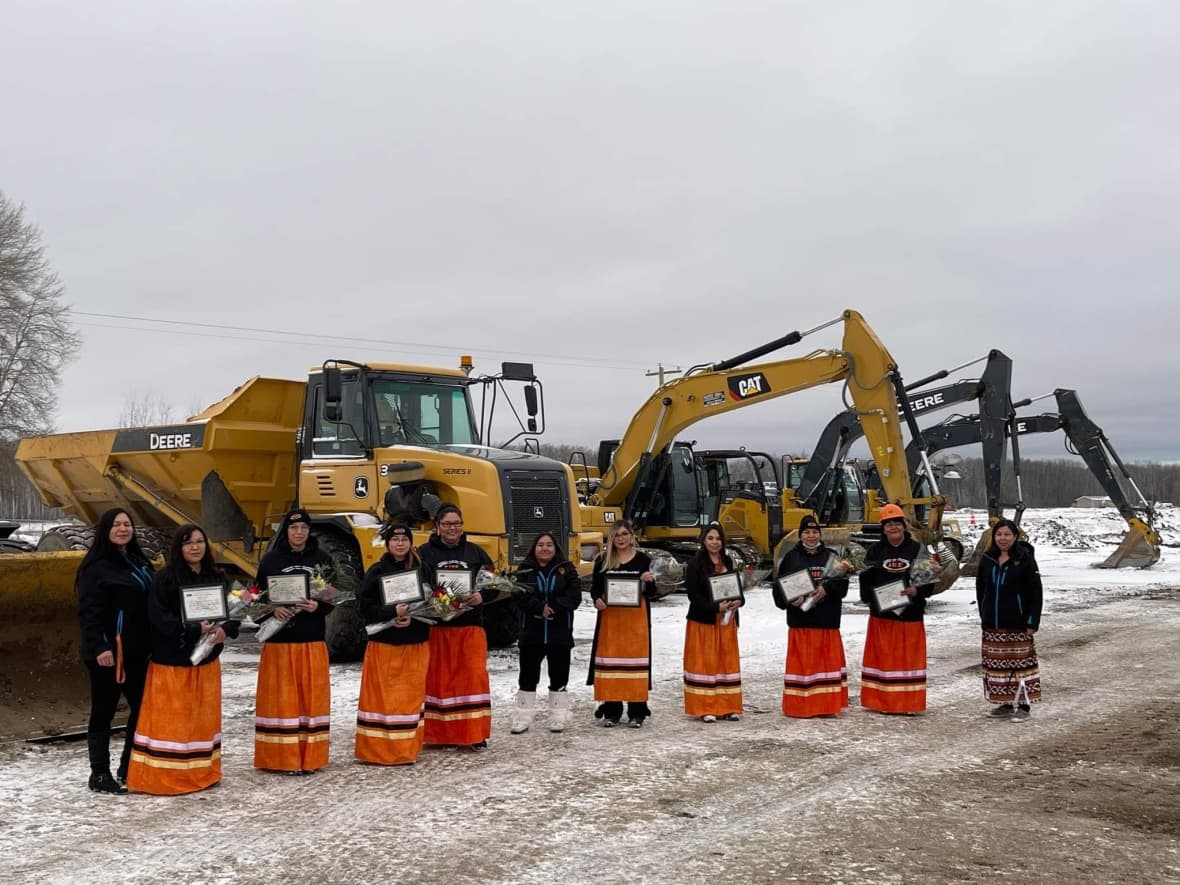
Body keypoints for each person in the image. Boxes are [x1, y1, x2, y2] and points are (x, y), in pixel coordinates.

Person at [126, 524, 239, 794]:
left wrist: (226, 629)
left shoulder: (218, 576)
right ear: (179, 548)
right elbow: (158, 618)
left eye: (200, 541)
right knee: (173, 721)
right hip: (173, 662)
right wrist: (193, 629)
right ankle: (168, 775)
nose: (195, 547)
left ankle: (201, 771)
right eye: (188, 543)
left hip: (207, 661)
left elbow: (234, 610)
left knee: (201, 719)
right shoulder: (164, 579)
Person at [75, 507, 155, 794]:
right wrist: (100, 646)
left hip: (138, 650)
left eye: (127, 524)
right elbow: (89, 612)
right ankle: (99, 773)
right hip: (108, 653)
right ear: (105, 530)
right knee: (104, 710)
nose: (123, 529)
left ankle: (129, 765)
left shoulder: (138, 561)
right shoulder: (95, 568)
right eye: (116, 524)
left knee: (142, 708)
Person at [252, 507, 336, 774]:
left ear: (309, 531)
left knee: (309, 700)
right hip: (280, 643)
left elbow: (332, 598)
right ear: (285, 531)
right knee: (282, 701)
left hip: (311, 640)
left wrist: (318, 607)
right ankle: (280, 756)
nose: (299, 533)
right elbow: (253, 598)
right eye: (293, 528)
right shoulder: (270, 561)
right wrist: (270, 609)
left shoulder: (323, 559)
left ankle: (310, 756)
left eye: (304, 528)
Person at [416, 504, 496, 749]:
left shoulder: (476, 553)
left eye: (457, 524)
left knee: (472, 680)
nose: (453, 528)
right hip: (437, 630)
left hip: (469, 628)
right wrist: (434, 602)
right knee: (438, 682)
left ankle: (473, 733)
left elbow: (494, 584)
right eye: (448, 524)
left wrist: (483, 597)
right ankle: (438, 734)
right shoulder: (424, 553)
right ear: (438, 527)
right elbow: (417, 586)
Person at [355, 523, 434, 764]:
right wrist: (390, 613)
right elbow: (364, 608)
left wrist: (413, 619)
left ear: (410, 542)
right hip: (384, 644)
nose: (400, 544)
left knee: (409, 699)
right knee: (382, 699)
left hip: (414, 643)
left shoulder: (423, 570)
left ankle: (405, 749)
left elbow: (434, 607)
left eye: (404, 539)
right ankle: (377, 750)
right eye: (395, 540)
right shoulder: (376, 572)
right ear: (387, 544)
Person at [858, 504, 937, 715]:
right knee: (883, 658)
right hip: (882, 615)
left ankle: (908, 703)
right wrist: (872, 600)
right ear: (883, 528)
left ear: (903, 526)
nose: (893, 527)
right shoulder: (875, 551)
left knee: (907, 659)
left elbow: (929, 583)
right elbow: (865, 582)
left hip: (910, 614)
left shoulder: (917, 549)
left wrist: (916, 590)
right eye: (888, 524)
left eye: (897, 523)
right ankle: (880, 701)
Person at [772, 514, 850, 717]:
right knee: (804, 666)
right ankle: (800, 705)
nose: (811, 536)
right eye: (806, 532)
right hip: (801, 622)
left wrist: (827, 589)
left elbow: (843, 585)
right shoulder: (790, 558)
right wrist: (790, 600)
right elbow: (779, 587)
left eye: (815, 532)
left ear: (820, 534)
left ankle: (827, 705)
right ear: (800, 535)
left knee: (826, 665)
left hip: (826, 621)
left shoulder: (832, 556)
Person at [587, 520, 658, 728]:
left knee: (635, 665)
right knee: (611, 665)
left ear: (631, 536)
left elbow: (653, 592)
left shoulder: (644, 559)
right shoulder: (602, 560)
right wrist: (596, 599)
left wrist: (650, 581)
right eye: (616, 535)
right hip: (611, 619)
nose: (621, 538)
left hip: (636, 620)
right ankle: (611, 710)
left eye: (624, 534)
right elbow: (595, 589)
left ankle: (637, 712)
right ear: (611, 538)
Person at [510, 532, 582, 735]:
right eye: (540, 544)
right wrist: (538, 607)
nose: (545, 548)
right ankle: (523, 715)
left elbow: (574, 596)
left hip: (559, 633)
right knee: (527, 676)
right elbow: (518, 595)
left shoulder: (567, 569)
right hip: (531, 632)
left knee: (559, 675)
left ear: (555, 548)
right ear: (534, 548)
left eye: (549, 545)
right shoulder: (524, 570)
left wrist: (553, 607)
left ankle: (558, 715)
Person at [975, 518, 1043, 721]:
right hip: (993, 624)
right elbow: (981, 589)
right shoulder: (988, 558)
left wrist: (1032, 621)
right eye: (999, 534)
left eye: (1007, 534)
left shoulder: (1024, 559)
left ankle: (1024, 706)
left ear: (1015, 537)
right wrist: (984, 615)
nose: (1002, 538)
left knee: (1020, 666)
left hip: (1018, 623)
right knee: (998, 665)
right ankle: (1004, 703)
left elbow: (1035, 591)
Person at [682, 523, 744, 723]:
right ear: (703, 540)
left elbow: (736, 590)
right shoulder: (695, 564)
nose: (715, 542)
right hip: (705, 621)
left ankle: (728, 706)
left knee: (726, 662)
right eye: (710, 538)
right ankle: (705, 706)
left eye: (718, 539)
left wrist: (739, 601)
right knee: (705, 663)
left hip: (726, 622)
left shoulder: (728, 561)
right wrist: (715, 608)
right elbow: (694, 596)